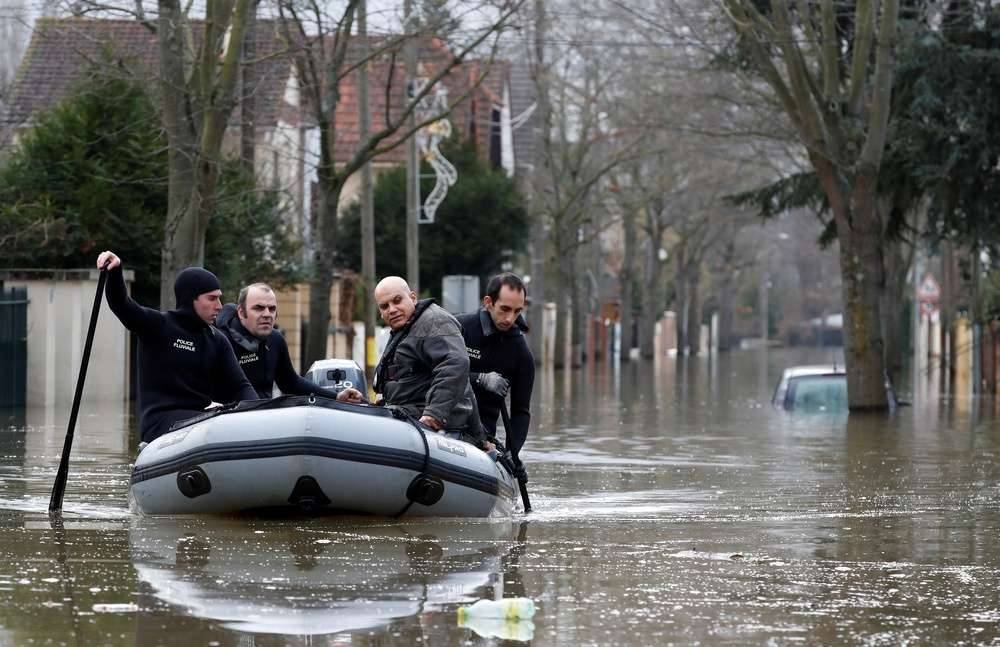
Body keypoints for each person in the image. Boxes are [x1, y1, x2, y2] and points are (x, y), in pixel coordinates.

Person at [96, 251, 257, 443]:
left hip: (201, 419)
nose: (220, 306)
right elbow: (122, 304)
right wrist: (115, 272)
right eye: (212, 298)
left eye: (219, 298)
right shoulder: (158, 326)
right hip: (160, 423)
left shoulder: (217, 340)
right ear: (191, 299)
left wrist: (260, 415)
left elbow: (241, 387)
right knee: (213, 425)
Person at [337, 276, 486, 448]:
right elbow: (407, 389)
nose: (392, 309)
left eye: (397, 300)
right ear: (380, 312)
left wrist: (434, 414)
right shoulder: (404, 331)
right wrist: (364, 403)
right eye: (385, 306)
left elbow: (455, 365)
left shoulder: (433, 322)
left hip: (435, 429)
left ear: (413, 298)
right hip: (407, 419)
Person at [456, 273, 534, 480]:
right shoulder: (459, 328)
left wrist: (513, 452)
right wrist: (480, 379)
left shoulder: (521, 353)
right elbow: (429, 373)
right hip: (444, 421)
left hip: (482, 436)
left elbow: (521, 411)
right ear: (488, 302)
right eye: (505, 309)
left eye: (518, 311)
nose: (510, 319)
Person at [216, 283, 333, 399]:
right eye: (258, 308)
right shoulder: (220, 341)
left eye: (272, 309)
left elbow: (290, 383)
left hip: (266, 413)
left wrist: (337, 397)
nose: (267, 314)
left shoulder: (275, 339)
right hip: (229, 415)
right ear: (241, 312)